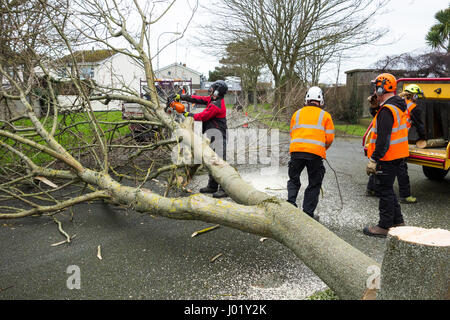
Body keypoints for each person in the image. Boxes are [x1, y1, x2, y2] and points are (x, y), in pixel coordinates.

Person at [363, 73, 409, 238]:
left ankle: (384, 226)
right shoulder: (396, 105)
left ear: (381, 88)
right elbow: (382, 122)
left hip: (387, 157)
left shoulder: (387, 110)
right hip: (397, 154)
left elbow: (383, 138)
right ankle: (398, 222)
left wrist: (374, 158)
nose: (374, 91)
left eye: (376, 87)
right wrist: (375, 107)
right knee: (388, 189)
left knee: (384, 190)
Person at [366, 84, 426, 204]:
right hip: (397, 142)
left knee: (380, 165)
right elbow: (419, 125)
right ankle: (405, 195)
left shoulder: (394, 104)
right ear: (414, 96)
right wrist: (423, 138)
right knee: (401, 169)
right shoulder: (411, 107)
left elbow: (377, 116)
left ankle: (371, 189)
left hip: (388, 140)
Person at [173, 80, 228, 198]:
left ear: (217, 91)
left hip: (219, 136)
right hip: (212, 134)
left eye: (213, 89)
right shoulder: (212, 99)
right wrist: (182, 97)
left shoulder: (216, 105)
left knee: (220, 162)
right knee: (211, 160)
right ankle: (212, 186)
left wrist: (187, 114)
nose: (211, 90)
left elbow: (202, 116)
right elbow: (198, 99)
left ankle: (224, 189)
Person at [287, 86, 335, 220]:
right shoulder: (325, 116)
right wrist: (321, 148)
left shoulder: (297, 114)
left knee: (294, 179)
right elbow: (330, 138)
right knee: (314, 183)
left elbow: (292, 133)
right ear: (321, 101)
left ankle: (290, 204)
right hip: (315, 155)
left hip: (296, 152)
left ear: (306, 99)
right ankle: (307, 214)